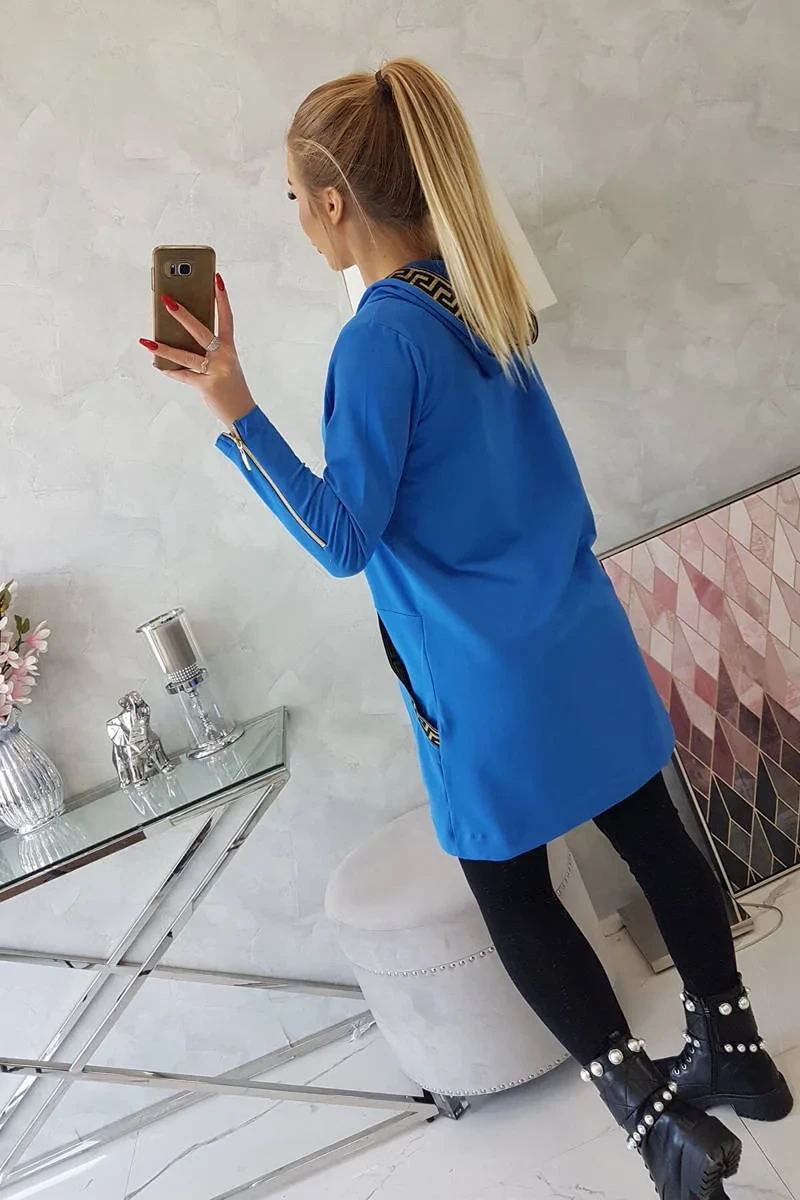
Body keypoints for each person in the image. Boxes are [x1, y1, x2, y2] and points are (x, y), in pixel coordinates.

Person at [138, 57, 792, 1200]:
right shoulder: (481, 294)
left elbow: (343, 537)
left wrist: (231, 406)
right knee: (652, 836)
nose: (296, 219)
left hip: (484, 687)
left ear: (333, 201)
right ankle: (733, 1052)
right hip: (579, 635)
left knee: (511, 893)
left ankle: (653, 1123)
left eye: (294, 197)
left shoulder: (376, 343)